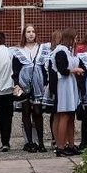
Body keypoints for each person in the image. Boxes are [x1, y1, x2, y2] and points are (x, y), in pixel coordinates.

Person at [14, 24, 50, 153]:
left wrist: (46, 83)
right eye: (28, 31)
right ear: (24, 34)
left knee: (38, 112)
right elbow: (15, 71)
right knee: (25, 112)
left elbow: (45, 68)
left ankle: (40, 142)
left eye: (33, 31)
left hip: (38, 85)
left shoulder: (41, 48)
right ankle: (29, 142)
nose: (31, 34)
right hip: (23, 85)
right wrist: (17, 87)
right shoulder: (18, 50)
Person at [50, 28, 83, 156]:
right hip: (63, 86)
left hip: (70, 85)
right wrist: (75, 70)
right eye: (75, 38)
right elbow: (62, 69)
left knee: (70, 115)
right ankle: (60, 146)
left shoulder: (69, 52)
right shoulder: (60, 51)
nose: (76, 40)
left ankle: (71, 144)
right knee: (63, 114)